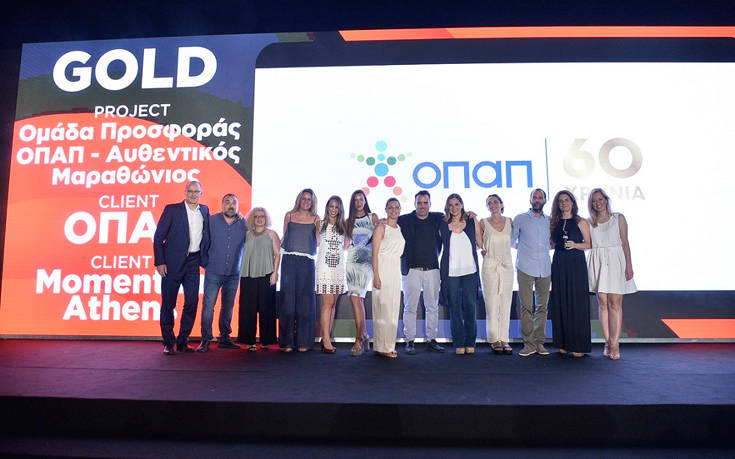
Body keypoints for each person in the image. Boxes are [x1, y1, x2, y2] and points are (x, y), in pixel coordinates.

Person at [153, 181, 210, 355]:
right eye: (190, 191)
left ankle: (182, 341)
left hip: (193, 262)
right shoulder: (172, 210)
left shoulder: (205, 210)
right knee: (168, 303)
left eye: (196, 191)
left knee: (192, 302)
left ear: (201, 193)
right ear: (185, 192)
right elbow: (158, 238)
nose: (193, 194)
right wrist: (160, 262)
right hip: (171, 263)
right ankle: (168, 342)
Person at [587, 188, 636, 360]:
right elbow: (587, 243)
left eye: (600, 199)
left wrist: (629, 265)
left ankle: (615, 344)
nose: (597, 203)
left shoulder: (618, 218)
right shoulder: (589, 222)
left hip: (616, 261)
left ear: (606, 200)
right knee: (603, 303)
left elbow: (625, 242)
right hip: (598, 261)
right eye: (594, 201)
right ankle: (607, 342)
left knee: (615, 303)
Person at [197, 193, 248, 352]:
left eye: (234, 202)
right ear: (222, 204)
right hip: (213, 270)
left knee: (228, 307)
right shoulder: (211, 221)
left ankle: (225, 338)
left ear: (237, 206)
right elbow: (203, 242)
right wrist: (205, 262)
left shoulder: (244, 224)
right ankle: (205, 339)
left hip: (234, 272)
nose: (230, 205)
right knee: (208, 306)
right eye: (227, 202)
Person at [397, 190, 446, 355]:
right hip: (411, 270)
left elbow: (456, 218)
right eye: (419, 203)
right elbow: (389, 224)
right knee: (410, 307)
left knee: (432, 306)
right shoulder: (404, 220)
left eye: (425, 203)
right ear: (414, 204)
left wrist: (468, 215)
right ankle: (409, 340)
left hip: (432, 270)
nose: (422, 206)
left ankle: (431, 339)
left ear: (430, 204)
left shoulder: (438, 218)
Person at [549, 190, 591, 358]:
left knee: (576, 302)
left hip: (576, 263)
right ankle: (563, 343)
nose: (564, 203)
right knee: (561, 300)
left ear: (572, 202)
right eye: (560, 201)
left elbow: (589, 244)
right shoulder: (554, 222)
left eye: (566, 200)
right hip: (559, 262)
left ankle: (578, 345)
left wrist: (575, 245)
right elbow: (552, 244)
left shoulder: (581, 221)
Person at [511, 188, 552, 357]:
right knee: (526, 307)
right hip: (525, 267)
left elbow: (553, 242)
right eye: (534, 197)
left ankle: (539, 343)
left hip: (545, 268)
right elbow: (511, 241)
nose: (537, 200)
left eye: (540, 197)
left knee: (542, 307)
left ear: (545, 200)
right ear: (530, 200)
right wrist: (524, 249)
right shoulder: (520, 218)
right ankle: (528, 344)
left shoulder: (550, 221)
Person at [439, 194, 481, 355]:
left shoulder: (471, 221)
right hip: (451, 272)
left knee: (470, 306)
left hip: (470, 271)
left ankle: (470, 341)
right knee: (455, 307)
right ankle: (459, 342)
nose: (454, 208)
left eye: (457, 204)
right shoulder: (443, 224)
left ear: (462, 205)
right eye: (450, 205)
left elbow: (479, 242)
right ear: (447, 207)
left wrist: (476, 219)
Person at [279, 189, 320, 352]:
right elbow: (284, 238)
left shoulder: (316, 219)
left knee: (305, 302)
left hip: (307, 262)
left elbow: (318, 241)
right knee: (287, 302)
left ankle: (304, 342)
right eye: (304, 198)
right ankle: (286, 342)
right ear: (299, 199)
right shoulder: (289, 216)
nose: (306, 201)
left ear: (313, 202)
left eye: (309, 199)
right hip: (289, 261)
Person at [238, 207, 280, 351]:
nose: (259, 219)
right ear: (252, 219)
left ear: (266, 218)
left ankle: (266, 340)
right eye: (256, 216)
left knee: (266, 309)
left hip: (267, 275)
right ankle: (249, 341)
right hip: (248, 275)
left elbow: (277, 254)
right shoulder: (246, 234)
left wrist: (275, 273)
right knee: (247, 309)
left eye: (262, 216)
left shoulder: (272, 234)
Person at [344, 190, 379, 356]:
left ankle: (358, 340)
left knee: (357, 298)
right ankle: (363, 335)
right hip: (351, 261)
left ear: (365, 201)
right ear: (353, 203)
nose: (358, 202)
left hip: (365, 263)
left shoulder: (373, 218)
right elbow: (346, 244)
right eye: (356, 200)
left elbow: (380, 238)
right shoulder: (348, 221)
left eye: (361, 199)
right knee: (356, 299)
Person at [479, 194, 514, 355]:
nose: (492, 205)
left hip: (506, 266)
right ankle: (494, 339)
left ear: (501, 204)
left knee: (506, 302)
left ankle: (504, 339)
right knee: (492, 303)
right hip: (490, 266)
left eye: (495, 202)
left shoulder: (510, 221)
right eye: (489, 203)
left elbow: (517, 240)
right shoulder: (483, 223)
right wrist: (483, 250)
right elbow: (479, 243)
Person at [371, 198, 405, 359]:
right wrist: (376, 275)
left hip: (394, 271)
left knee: (392, 308)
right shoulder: (381, 227)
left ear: (400, 210)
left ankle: (388, 345)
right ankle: (382, 346)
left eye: (396, 207)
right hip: (383, 269)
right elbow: (374, 253)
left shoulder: (399, 228)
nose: (393, 210)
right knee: (383, 308)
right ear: (386, 209)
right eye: (390, 207)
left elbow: (399, 254)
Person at [316, 196, 349, 353]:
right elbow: (315, 242)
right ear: (327, 207)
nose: (333, 209)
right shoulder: (320, 224)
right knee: (328, 303)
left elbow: (347, 245)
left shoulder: (344, 226)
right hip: (324, 268)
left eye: (336, 207)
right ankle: (326, 341)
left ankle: (326, 338)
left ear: (340, 209)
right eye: (331, 206)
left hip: (338, 268)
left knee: (333, 304)